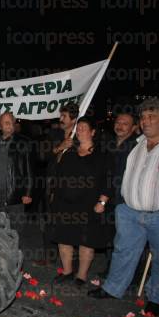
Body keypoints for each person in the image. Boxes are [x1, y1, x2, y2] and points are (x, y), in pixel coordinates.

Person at [89, 99, 159, 317]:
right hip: (129, 211)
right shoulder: (133, 143)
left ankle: (156, 299)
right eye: (143, 117)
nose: (145, 121)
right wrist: (110, 201)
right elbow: (116, 174)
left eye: (151, 117)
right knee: (123, 252)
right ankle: (113, 288)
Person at [50, 117, 110, 286]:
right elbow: (56, 172)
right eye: (79, 128)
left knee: (86, 241)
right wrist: (62, 148)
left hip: (89, 204)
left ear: (93, 132)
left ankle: (81, 276)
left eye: (85, 127)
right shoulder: (70, 152)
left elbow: (108, 179)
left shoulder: (101, 154)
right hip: (65, 202)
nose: (81, 130)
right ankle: (67, 272)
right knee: (64, 238)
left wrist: (103, 201)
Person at [34, 103, 80, 266]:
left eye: (64, 116)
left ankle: (71, 260)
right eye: (61, 115)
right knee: (50, 222)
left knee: (70, 223)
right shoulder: (54, 134)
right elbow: (41, 156)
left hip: (73, 189)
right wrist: (60, 147)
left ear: (74, 119)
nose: (60, 119)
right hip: (52, 185)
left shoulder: (81, 136)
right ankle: (49, 256)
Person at [101, 112, 139, 276]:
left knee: (124, 239)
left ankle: (124, 273)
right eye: (118, 122)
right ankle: (111, 268)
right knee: (109, 235)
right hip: (107, 197)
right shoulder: (108, 143)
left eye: (125, 123)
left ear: (134, 127)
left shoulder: (138, 146)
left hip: (125, 199)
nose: (120, 125)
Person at [0, 112, 33, 232]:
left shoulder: (23, 142)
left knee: (14, 229)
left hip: (13, 193)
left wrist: (28, 192)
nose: (9, 125)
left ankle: (16, 250)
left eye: (11, 122)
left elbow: (29, 168)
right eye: (6, 122)